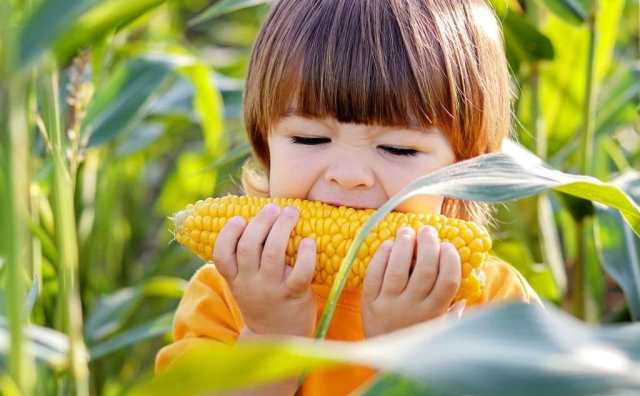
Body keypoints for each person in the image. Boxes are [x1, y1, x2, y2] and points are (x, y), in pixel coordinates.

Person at [155, 0, 542, 394]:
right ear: (264, 144)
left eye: (398, 149)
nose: (349, 176)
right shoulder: (227, 296)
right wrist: (268, 336)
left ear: (469, 167)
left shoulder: (496, 306)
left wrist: (408, 358)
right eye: (310, 138)